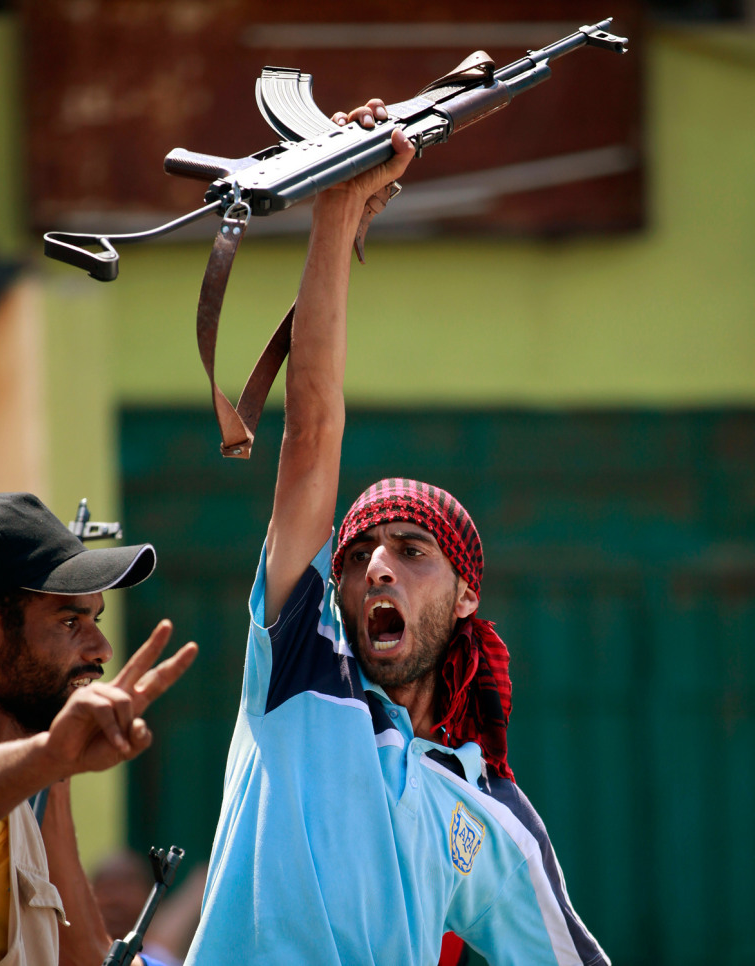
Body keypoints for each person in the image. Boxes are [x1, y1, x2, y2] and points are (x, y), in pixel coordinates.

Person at [184, 101, 609, 965]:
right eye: (356, 557)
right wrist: (336, 210)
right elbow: (311, 432)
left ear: (466, 597)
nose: (377, 567)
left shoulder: (487, 811)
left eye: (413, 552)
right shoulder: (299, 667)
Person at [0, 491, 198, 966]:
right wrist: (50, 756)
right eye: (70, 621)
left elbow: (83, 955)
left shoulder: (22, 806)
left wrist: (52, 764)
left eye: (96, 618)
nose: (103, 649)